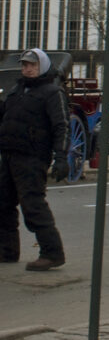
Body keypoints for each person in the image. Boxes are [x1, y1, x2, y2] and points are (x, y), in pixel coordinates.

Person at [0, 49, 69, 271]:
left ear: (44, 67)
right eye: (25, 65)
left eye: (33, 65)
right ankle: (7, 251)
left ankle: (52, 253)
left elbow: (61, 126)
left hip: (32, 158)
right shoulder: (16, 91)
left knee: (33, 205)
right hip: (10, 156)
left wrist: (61, 157)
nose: (28, 69)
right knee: (3, 204)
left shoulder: (52, 93)